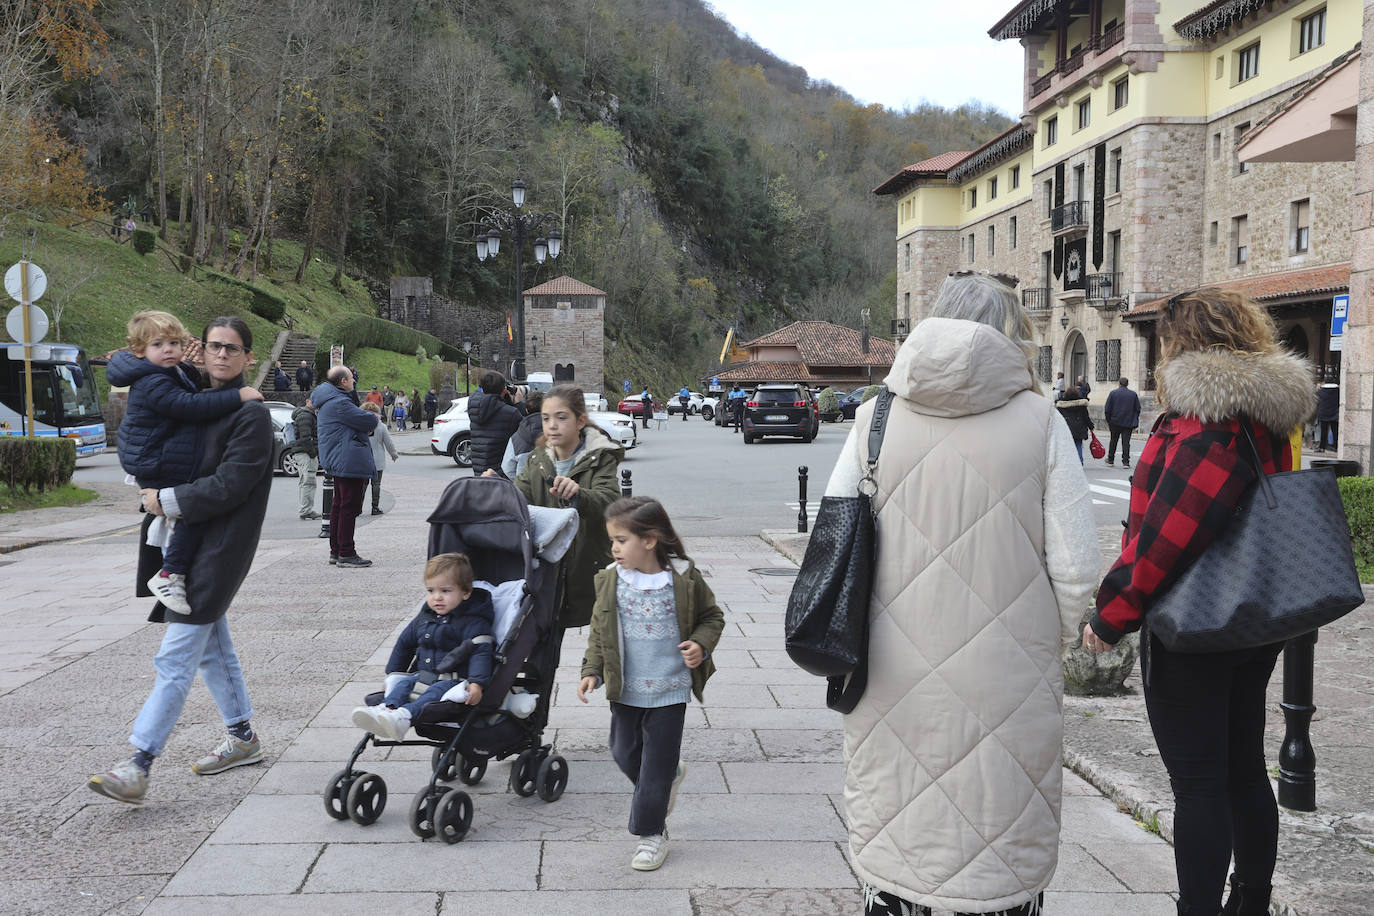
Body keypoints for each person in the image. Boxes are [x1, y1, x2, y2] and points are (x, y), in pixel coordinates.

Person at [825, 273, 1098, 916]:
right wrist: (1046, 635)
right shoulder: (1041, 421)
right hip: (1007, 670)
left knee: (901, 819)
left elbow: (835, 540)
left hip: (890, 664)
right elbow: (1079, 567)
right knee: (999, 826)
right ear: (1013, 336)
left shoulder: (875, 417)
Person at [1082, 288, 1316, 916]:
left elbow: (1168, 537)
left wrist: (1112, 614)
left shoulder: (1204, 423)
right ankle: (1251, 902)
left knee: (1200, 784)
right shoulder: (1268, 415)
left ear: (1181, 344)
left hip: (1196, 625)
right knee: (1243, 770)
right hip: (1253, 619)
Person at [87, 316, 276, 806]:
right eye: (214, 346)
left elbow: (231, 485)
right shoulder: (190, 394)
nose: (221, 355)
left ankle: (138, 764)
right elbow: (143, 386)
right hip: (180, 543)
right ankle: (243, 738)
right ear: (201, 350)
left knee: (175, 658)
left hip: (218, 547)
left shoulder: (249, 414)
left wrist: (162, 499)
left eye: (232, 349)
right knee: (211, 647)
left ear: (248, 358)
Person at [578, 496, 725, 872]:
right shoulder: (611, 579)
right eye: (612, 540)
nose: (614, 547)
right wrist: (591, 669)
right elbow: (599, 630)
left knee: (654, 767)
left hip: (669, 689)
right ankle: (669, 778)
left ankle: (651, 834)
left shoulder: (683, 577)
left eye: (621, 539)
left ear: (650, 540)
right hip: (625, 688)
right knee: (624, 752)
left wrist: (700, 645)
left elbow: (712, 617)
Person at [105, 311, 263, 614]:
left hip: (156, 458)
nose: (168, 349)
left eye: (175, 342)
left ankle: (171, 573)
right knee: (187, 510)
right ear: (140, 351)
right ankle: (169, 574)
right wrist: (237, 396)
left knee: (205, 627)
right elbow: (187, 405)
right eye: (159, 344)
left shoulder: (171, 372)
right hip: (152, 460)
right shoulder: (153, 380)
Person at [512, 384, 623, 629]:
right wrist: (496, 488)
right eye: (546, 418)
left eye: (561, 417)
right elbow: (519, 496)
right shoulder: (537, 459)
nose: (552, 425)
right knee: (541, 653)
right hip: (547, 570)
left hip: (588, 568)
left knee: (601, 650)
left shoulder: (600, 457)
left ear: (580, 421)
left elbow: (610, 501)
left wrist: (579, 494)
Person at [351, 553, 494, 740]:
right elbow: (404, 643)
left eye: (445, 591)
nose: (437, 598)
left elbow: (480, 653)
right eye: (431, 591)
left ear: (466, 592)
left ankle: (405, 716)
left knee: (433, 693)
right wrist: (392, 675)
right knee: (402, 684)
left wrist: (477, 683)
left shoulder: (474, 623)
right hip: (423, 675)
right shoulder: (425, 618)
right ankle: (388, 708)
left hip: (454, 681)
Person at [311, 366, 378, 568]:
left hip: (339, 458)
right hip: (347, 459)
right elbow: (368, 420)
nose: (353, 382)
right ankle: (346, 552)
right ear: (343, 382)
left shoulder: (330, 400)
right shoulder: (340, 403)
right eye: (351, 379)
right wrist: (373, 418)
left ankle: (336, 551)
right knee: (349, 507)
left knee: (339, 506)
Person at [468, 371, 524, 476]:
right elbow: (527, 430)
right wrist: (519, 403)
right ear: (504, 390)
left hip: (479, 470)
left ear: (483, 390)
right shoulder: (511, 413)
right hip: (500, 473)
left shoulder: (474, 408)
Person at [360, 402, 398, 515]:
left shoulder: (360, 425)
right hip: (378, 460)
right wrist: (393, 454)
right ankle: (375, 507)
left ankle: (358, 507)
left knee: (362, 485)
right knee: (376, 484)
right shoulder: (381, 426)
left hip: (363, 459)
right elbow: (388, 443)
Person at [500, 390, 545, 478]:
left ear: (526, 410)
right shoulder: (555, 433)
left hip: (524, 488)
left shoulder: (516, 438)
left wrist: (520, 482)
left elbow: (507, 468)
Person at [1103, 376, 1142, 468]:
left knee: (1113, 440)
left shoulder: (1113, 393)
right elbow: (1138, 408)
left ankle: (1110, 459)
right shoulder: (1133, 394)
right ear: (1127, 384)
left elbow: (1107, 409)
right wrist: (1134, 419)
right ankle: (1125, 462)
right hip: (1128, 422)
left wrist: (1109, 420)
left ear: (1119, 384)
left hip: (1115, 421)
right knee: (1126, 442)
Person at [292, 399, 321, 520]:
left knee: (305, 481)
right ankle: (306, 510)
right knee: (308, 481)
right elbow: (306, 437)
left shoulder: (306, 414)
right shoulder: (306, 415)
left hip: (302, 452)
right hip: (306, 453)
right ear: (307, 401)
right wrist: (313, 453)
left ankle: (306, 509)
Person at [1055, 382, 1094, 463]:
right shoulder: (1081, 405)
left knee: (1067, 446)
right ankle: (1080, 461)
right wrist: (1091, 426)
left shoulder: (1061, 405)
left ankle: (1068, 462)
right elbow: (1086, 417)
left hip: (1066, 428)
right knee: (1078, 444)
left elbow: (1057, 418)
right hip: (1079, 428)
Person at [1316, 373, 1339, 451]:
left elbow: (1316, 399)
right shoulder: (1337, 391)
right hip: (1334, 413)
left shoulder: (1321, 391)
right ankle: (1336, 446)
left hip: (1323, 413)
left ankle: (1322, 447)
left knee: (1324, 431)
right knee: (1335, 430)